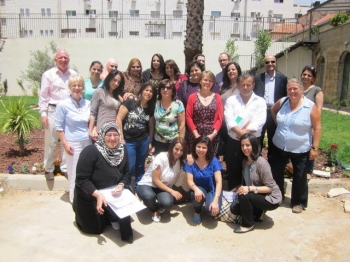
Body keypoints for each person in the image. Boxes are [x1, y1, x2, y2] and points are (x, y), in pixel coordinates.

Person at [73, 123, 134, 244]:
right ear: (102, 136)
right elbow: (82, 180)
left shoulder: (123, 150)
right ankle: (109, 216)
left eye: (115, 135)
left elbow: (127, 173)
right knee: (95, 229)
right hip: (93, 193)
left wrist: (121, 185)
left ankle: (114, 218)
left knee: (128, 195)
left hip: (114, 190)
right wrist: (98, 195)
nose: (112, 138)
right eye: (108, 135)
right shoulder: (90, 152)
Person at [270, 78, 321, 213]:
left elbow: (317, 128)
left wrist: (315, 147)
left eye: (295, 89)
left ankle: (299, 202)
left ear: (301, 90)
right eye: (289, 89)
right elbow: (273, 110)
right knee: (276, 172)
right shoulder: (283, 102)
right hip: (279, 145)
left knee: (300, 176)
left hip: (300, 148)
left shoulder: (310, 106)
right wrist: (278, 124)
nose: (292, 91)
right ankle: (277, 196)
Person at [231, 133, 282, 234]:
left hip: (271, 198)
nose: (245, 148)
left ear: (254, 145)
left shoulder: (261, 162)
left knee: (244, 196)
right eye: (242, 145)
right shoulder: (245, 162)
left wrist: (249, 189)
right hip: (257, 194)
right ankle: (259, 212)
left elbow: (270, 188)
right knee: (234, 208)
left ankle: (247, 224)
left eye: (248, 145)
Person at [38, 49, 77, 180]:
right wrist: (43, 114)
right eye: (60, 58)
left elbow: (76, 92)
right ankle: (48, 169)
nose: (63, 60)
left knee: (67, 140)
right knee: (51, 141)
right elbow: (43, 96)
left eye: (65, 58)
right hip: (53, 110)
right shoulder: (48, 75)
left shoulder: (73, 74)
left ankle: (65, 168)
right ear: (55, 59)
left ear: (69, 60)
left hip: (69, 111)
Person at [224, 73, 267, 190]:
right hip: (234, 141)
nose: (245, 87)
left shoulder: (260, 101)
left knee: (253, 170)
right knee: (233, 169)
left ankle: (252, 197)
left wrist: (244, 135)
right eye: (242, 85)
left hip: (253, 141)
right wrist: (240, 134)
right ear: (238, 85)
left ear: (253, 85)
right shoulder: (231, 100)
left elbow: (260, 120)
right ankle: (233, 197)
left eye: (248, 84)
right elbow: (229, 120)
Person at [55, 75, 91, 203]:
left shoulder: (87, 103)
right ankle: (74, 198)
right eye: (74, 85)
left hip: (87, 141)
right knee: (74, 171)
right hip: (73, 142)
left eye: (79, 85)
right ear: (70, 87)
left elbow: (90, 122)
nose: (77, 88)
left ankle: (86, 195)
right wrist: (65, 144)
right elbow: (59, 127)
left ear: (83, 87)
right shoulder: (63, 105)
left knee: (87, 170)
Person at [116, 82, 157, 190]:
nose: (148, 93)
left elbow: (151, 126)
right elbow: (118, 120)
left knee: (140, 167)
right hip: (129, 141)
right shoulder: (130, 102)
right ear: (142, 90)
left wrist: (150, 142)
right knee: (129, 167)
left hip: (143, 140)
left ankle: (138, 191)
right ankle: (126, 190)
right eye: (146, 90)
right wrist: (121, 138)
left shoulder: (150, 107)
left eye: (151, 91)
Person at [137, 137, 187, 222]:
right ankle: (154, 210)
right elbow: (155, 180)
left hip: (162, 187)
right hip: (148, 184)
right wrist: (172, 191)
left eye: (182, 150)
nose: (179, 152)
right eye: (176, 149)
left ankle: (158, 205)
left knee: (167, 203)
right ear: (171, 147)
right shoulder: (162, 157)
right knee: (149, 196)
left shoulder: (179, 160)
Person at [253, 55, 287, 159]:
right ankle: (256, 160)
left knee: (273, 137)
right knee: (258, 136)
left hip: (275, 111)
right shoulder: (258, 78)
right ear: (264, 64)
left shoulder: (283, 79)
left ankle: (272, 163)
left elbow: (285, 96)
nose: (270, 64)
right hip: (261, 111)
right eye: (267, 62)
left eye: (272, 61)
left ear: (276, 63)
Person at [185, 136, 222, 224]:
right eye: (198, 146)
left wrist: (215, 200)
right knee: (196, 196)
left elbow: (219, 182)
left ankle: (216, 199)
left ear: (208, 148)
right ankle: (197, 211)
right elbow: (189, 180)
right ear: (194, 147)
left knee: (211, 211)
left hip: (212, 189)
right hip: (199, 188)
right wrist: (196, 189)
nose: (201, 150)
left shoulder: (214, 161)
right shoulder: (191, 161)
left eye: (204, 147)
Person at [186, 70, 223, 155]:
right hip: (195, 134)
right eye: (205, 80)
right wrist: (196, 135)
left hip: (212, 136)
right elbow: (188, 117)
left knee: (210, 160)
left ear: (213, 83)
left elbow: (219, 118)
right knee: (196, 159)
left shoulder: (217, 97)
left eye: (210, 81)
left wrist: (213, 135)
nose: (207, 82)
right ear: (200, 81)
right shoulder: (192, 97)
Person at [217, 61, 242, 173]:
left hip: (237, 124)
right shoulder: (223, 86)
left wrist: (235, 123)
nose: (231, 72)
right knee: (226, 150)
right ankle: (227, 172)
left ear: (238, 71)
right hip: (223, 123)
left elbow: (243, 108)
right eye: (229, 70)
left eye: (233, 69)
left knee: (236, 150)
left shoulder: (242, 86)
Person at [301, 65, 324, 180]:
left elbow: (318, 110)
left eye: (309, 75)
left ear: (313, 78)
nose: (306, 77)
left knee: (310, 147)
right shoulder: (299, 89)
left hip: (310, 124)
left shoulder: (317, 91)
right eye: (304, 74)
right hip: (300, 124)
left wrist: (313, 127)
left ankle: (308, 172)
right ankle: (299, 171)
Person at [89, 70, 124, 141]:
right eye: (114, 80)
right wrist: (91, 130)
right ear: (109, 78)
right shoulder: (99, 92)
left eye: (119, 82)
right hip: (102, 131)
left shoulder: (117, 97)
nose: (116, 83)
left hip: (114, 132)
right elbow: (93, 113)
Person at [153, 79, 185, 155]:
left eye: (168, 88)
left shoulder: (178, 104)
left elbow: (182, 124)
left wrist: (180, 142)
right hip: (158, 140)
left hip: (173, 141)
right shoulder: (156, 103)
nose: (165, 90)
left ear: (172, 90)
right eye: (163, 88)